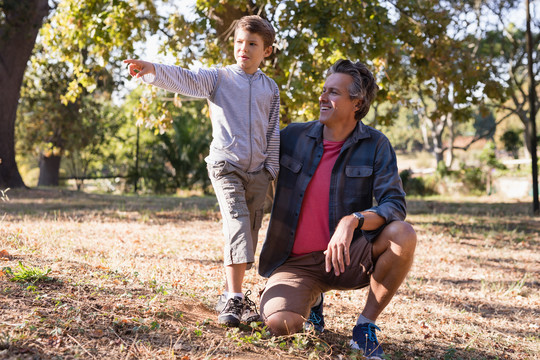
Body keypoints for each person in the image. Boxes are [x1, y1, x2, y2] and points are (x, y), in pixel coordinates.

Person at [124, 15, 280, 328]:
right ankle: (235, 296)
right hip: (226, 166)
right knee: (237, 224)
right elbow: (185, 78)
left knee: (249, 234)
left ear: (267, 51)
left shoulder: (270, 88)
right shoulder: (219, 78)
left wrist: (271, 169)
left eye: (252, 44)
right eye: (238, 42)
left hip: (258, 172)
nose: (243, 49)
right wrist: (152, 70)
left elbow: (273, 129)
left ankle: (231, 294)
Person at [258, 59, 417, 359]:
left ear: (357, 103)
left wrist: (353, 221)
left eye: (333, 92)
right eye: (323, 90)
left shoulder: (377, 145)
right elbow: (254, 156)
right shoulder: (292, 136)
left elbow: (394, 205)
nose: (322, 97)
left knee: (403, 235)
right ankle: (311, 301)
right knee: (280, 325)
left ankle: (364, 327)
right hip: (295, 263)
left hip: (347, 257)